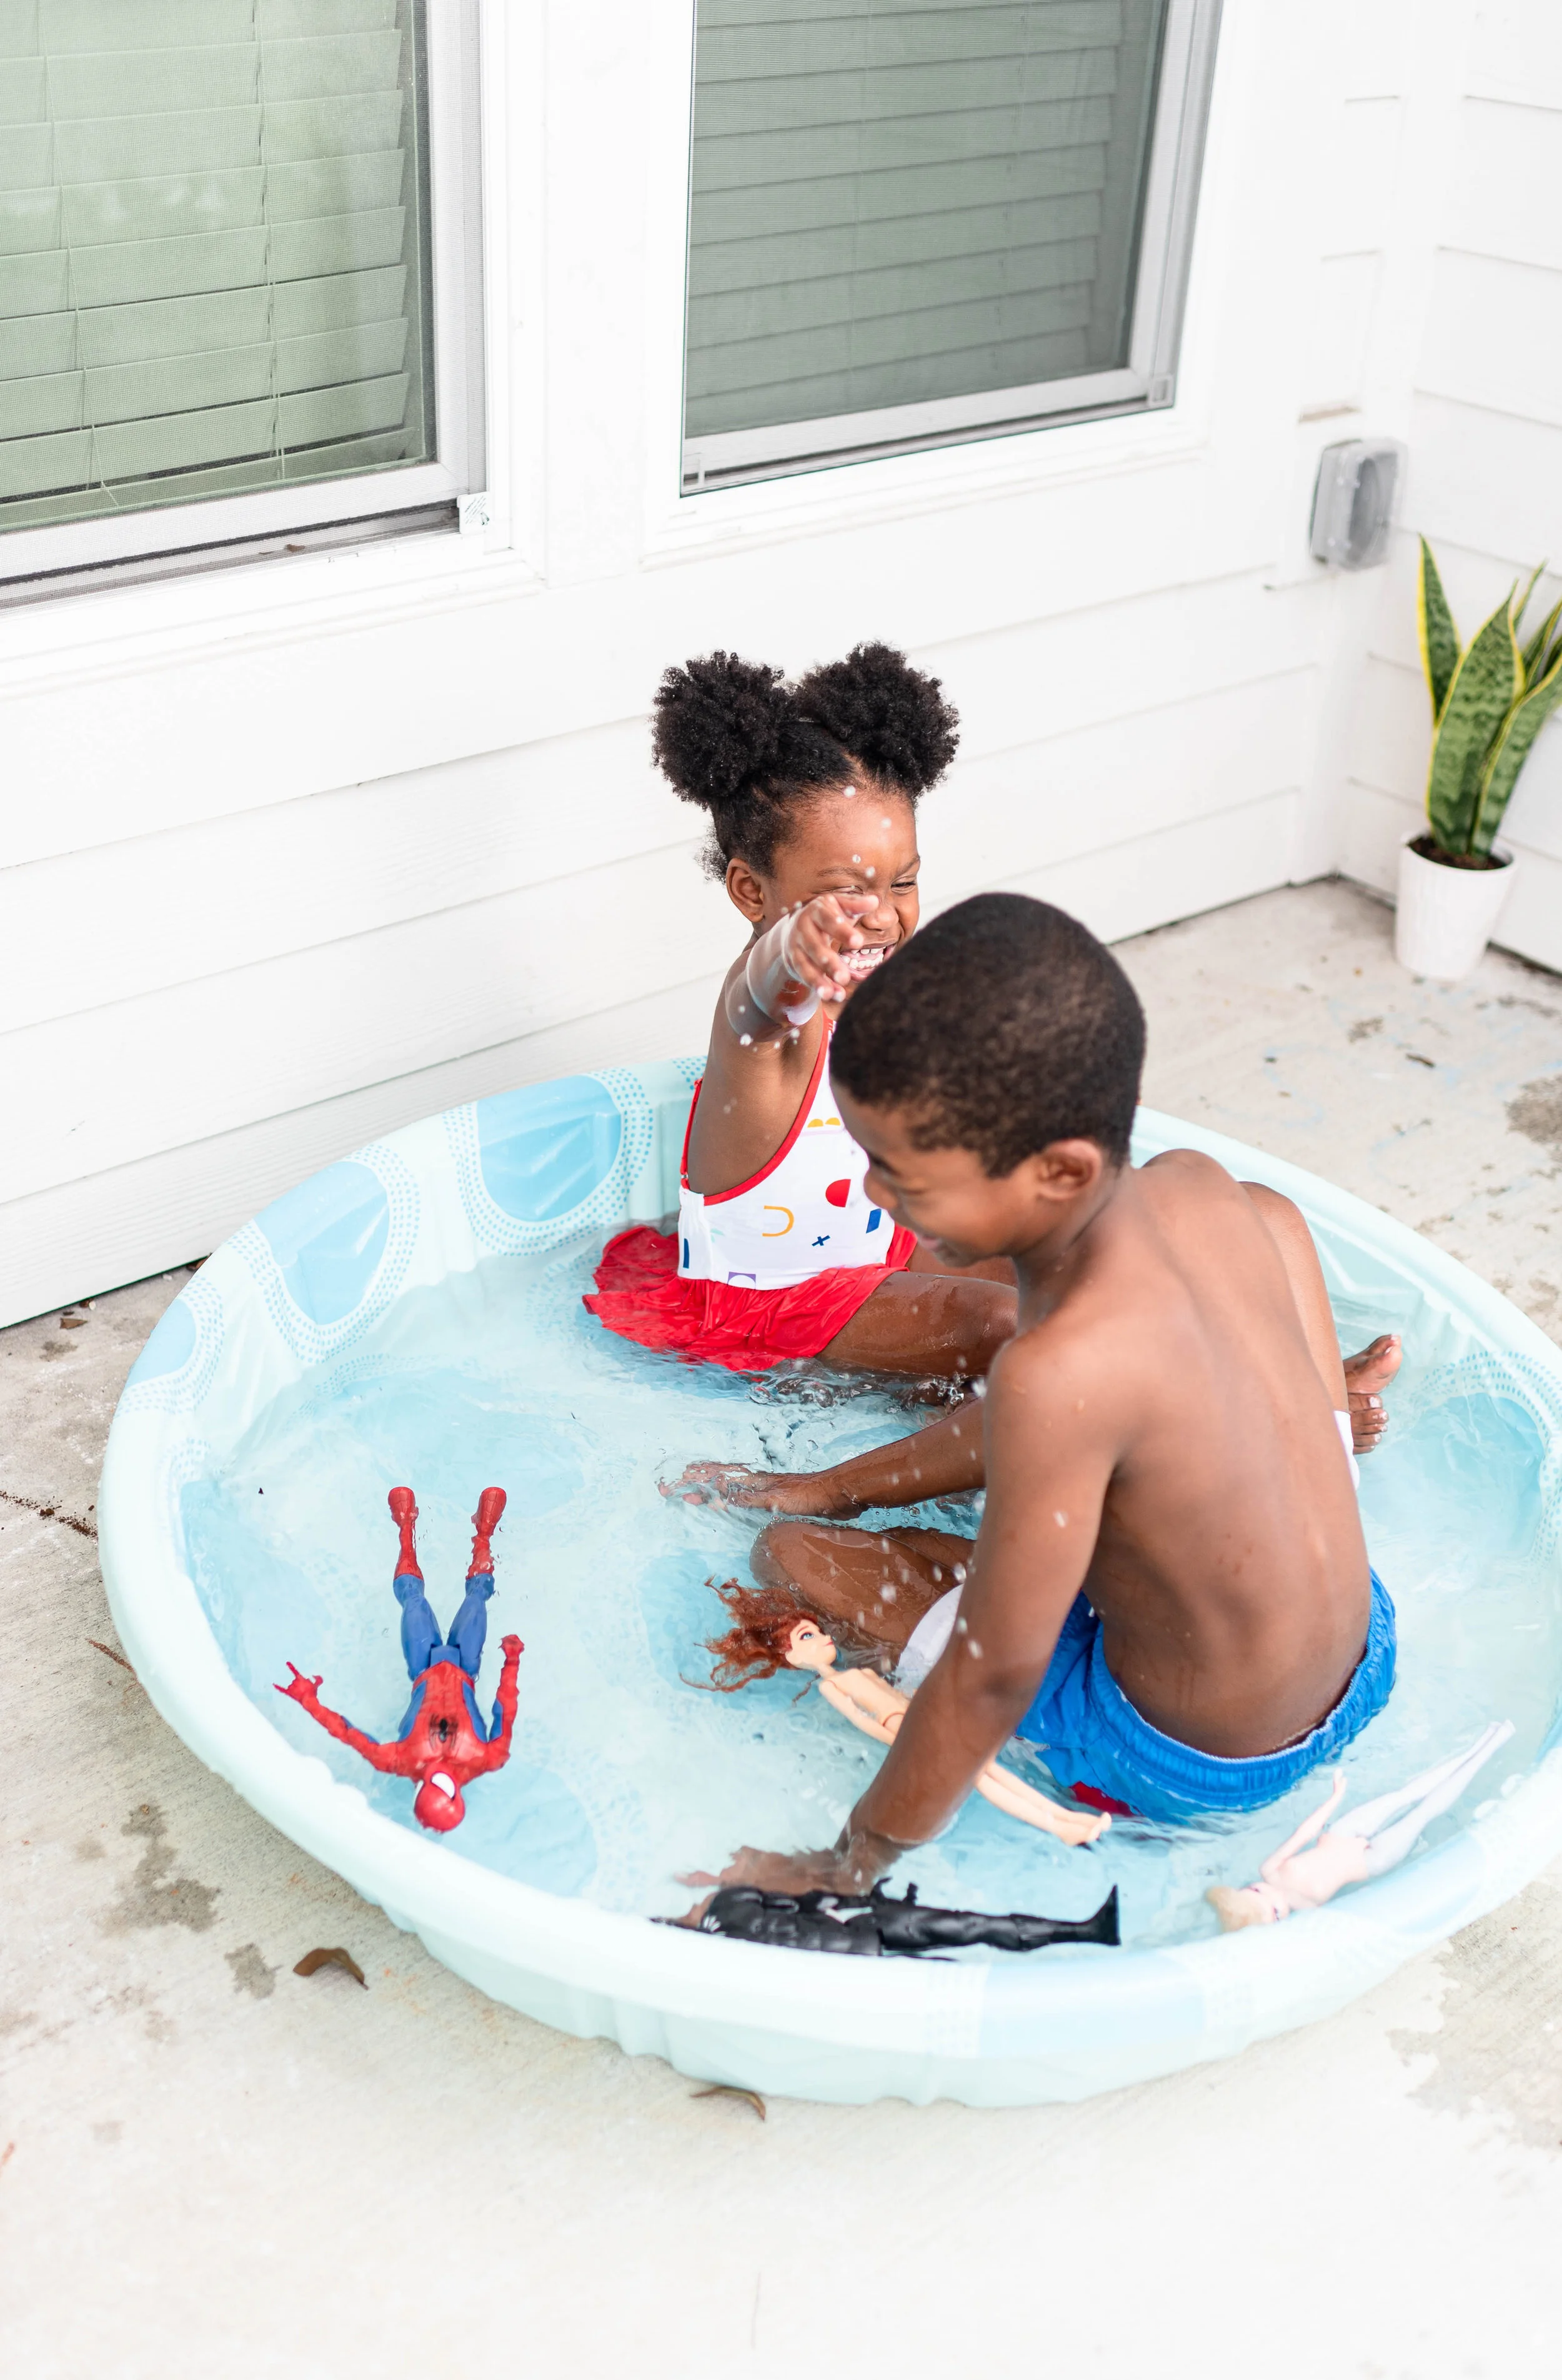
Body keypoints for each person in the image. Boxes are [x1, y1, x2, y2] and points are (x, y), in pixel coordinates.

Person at [690, 893, 1398, 1893]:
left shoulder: (1057, 1374)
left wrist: (850, 1860)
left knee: (793, 1557)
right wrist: (837, 1479)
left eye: (904, 1178)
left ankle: (952, 1767)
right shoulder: (1198, 1186)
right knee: (1272, 1222)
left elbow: (993, 1675)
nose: (874, 1195)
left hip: (1193, 1762)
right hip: (1362, 1651)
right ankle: (846, 1492)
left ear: (1057, 1170)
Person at [582, 644, 1018, 1382]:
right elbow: (764, 989)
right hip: (770, 1305)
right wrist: (792, 948)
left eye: (903, 883)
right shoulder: (765, 1031)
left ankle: (954, 1405)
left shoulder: (880, 998)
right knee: (1006, 1326)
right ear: (753, 894)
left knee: (1077, 1262)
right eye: (847, 892)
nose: (880, 917)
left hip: (876, 1263)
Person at [276, 1486, 520, 1834]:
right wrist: (511, 1662)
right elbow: (505, 1709)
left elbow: (347, 1733)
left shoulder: (401, 1760)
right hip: (465, 1666)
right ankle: (483, 1533)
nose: (439, 1773)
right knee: (478, 1597)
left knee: (412, 1600)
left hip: (423, 1666)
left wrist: (309, 1701)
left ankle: (406, 1528)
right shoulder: (487, 1758)